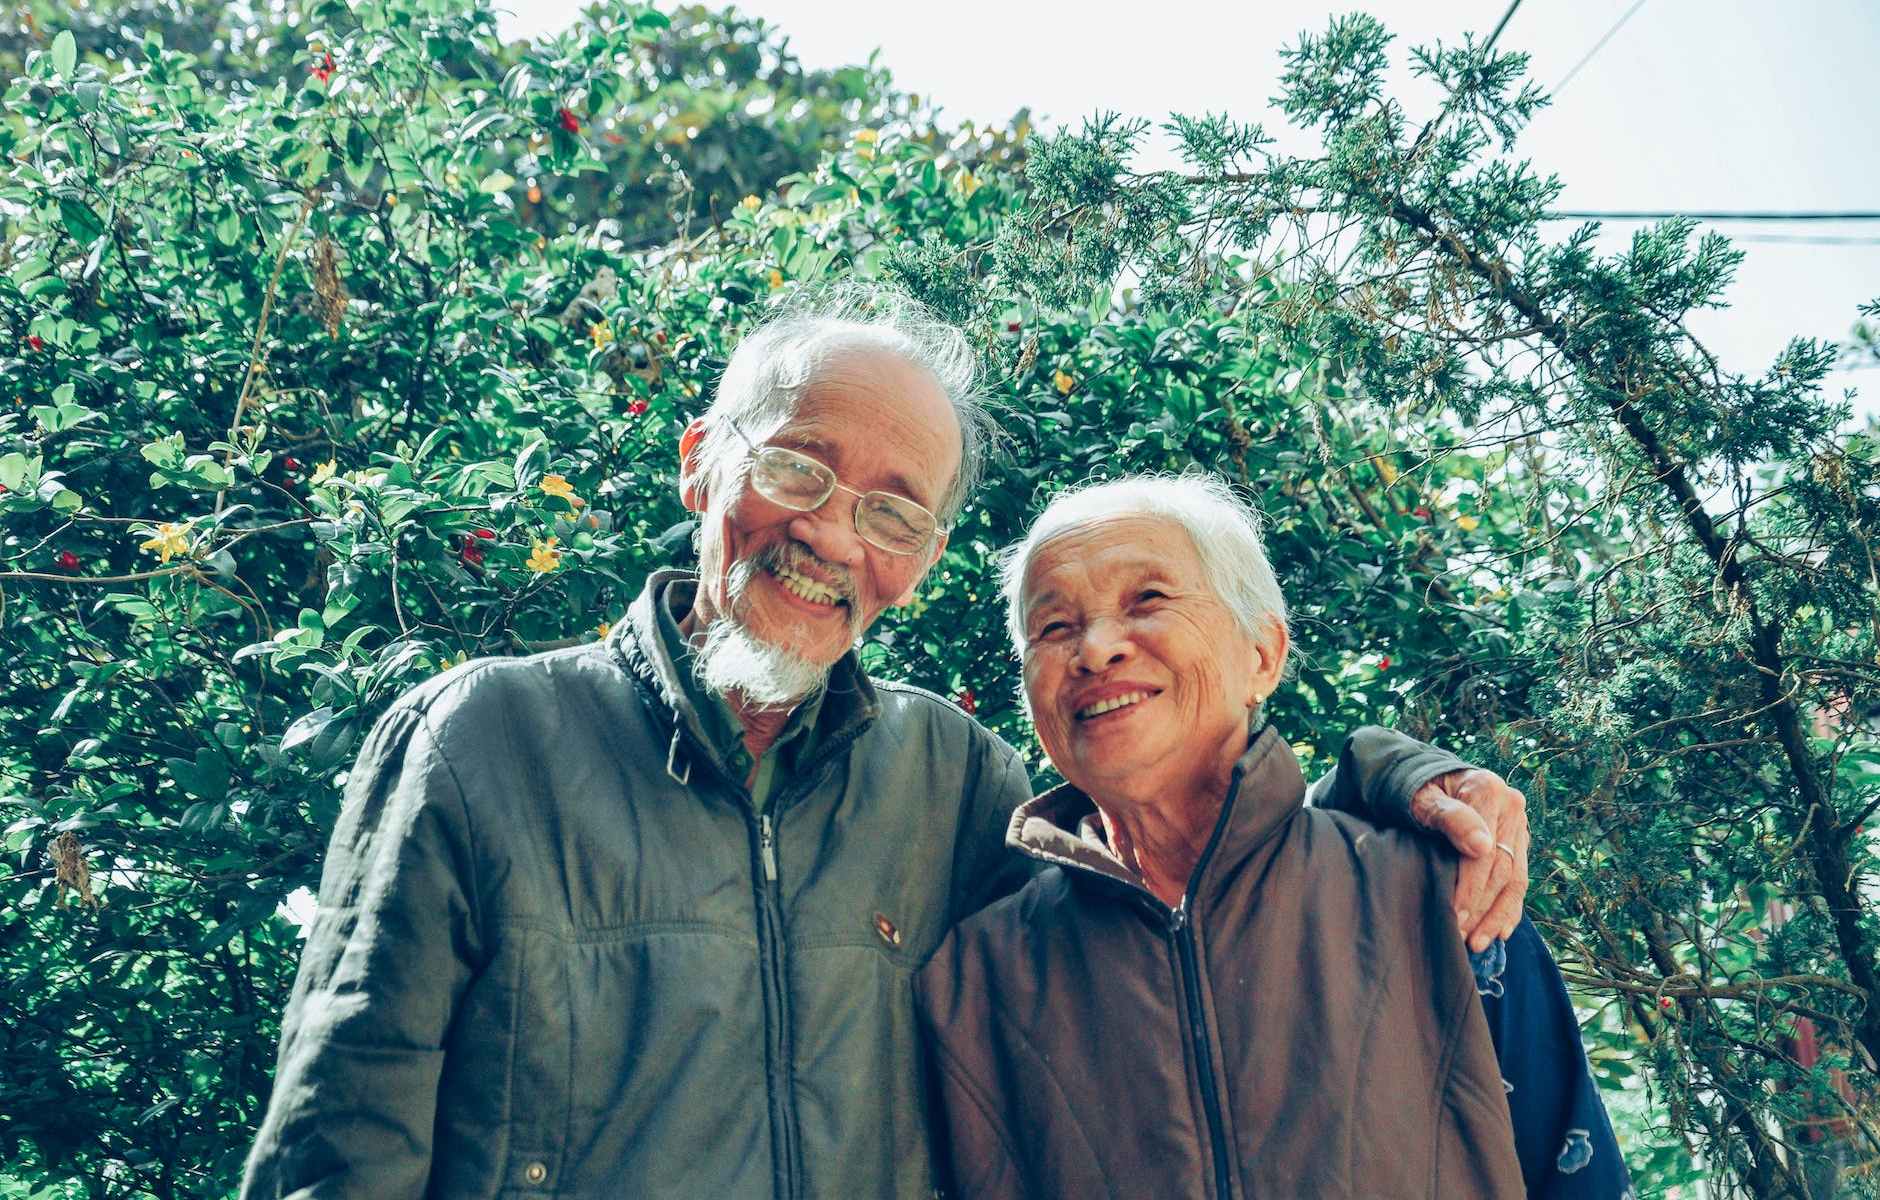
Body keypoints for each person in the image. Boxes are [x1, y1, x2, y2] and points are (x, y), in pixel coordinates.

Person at [240, 287, 1535, 1199]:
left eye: (893, 511)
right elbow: (337, 1147)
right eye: (798, 469)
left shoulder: (954, 780)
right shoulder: (485, 741)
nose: (832, 536)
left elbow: (1173, 893)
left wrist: (1393, 778)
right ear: (703, 466)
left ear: (917, 563)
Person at [914, 473, 1629, 1198]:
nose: (1096, 650)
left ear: (1262, 655)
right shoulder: (976, 977)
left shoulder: (1438, 895)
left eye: (1148, 600)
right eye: (1055, 627)